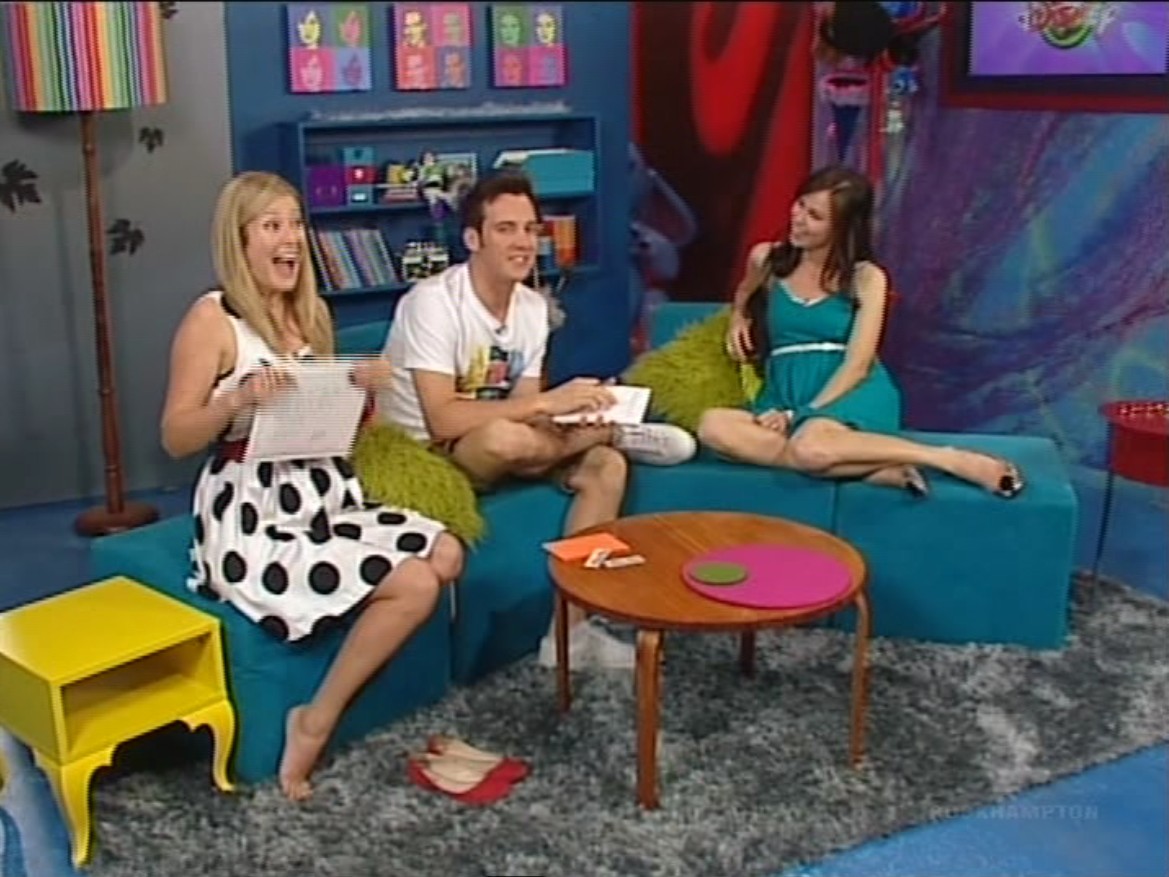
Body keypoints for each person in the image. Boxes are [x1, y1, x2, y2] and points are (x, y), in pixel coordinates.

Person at [160, 171, 465, 802]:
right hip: (252, 508)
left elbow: (337, 432)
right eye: (272, 226)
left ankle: (356, 639)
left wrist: (363, 394)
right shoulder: (212, 319)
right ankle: (315, 719)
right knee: (414, 582)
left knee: (447, 552)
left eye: (296, 224)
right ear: (240, 240)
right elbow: (176, 436)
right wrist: (235, 400)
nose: (291, 239)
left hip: (323, 490)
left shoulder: (311, 314)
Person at [378, 171, 697, 670]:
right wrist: (548, 405)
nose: (524, 242)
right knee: (503, 438)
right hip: (431, 451)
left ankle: (570, 635)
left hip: (506, 441)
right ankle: (614, 432)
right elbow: (443, 418)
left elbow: (525, 401)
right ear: (473, 239)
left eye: (530, 229)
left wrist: (569, 411)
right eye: (506, 229)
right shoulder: (433, 303)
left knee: (606, 467)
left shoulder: (531, 307)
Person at [697, 164, 1025, 498]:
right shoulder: (766, 258)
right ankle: (871, 468)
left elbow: (857, 365)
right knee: (713, 426)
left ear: (842, 228)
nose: (798, 218)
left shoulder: (867, 278)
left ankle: (948, 459)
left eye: (815, 216)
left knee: (810, 448)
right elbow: (744, 292)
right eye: (800, 205)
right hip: (785, 388)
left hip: (847, 389)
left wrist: (798, 415)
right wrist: (739, 318)